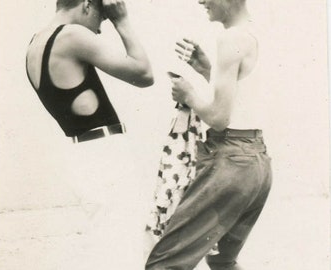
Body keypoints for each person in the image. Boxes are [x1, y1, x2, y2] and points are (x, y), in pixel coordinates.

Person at [145, 0, 272, 269]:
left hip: (229, 163)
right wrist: (206, 71)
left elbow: (218, 119)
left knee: (162, 264)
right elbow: (242, 103)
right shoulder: (255, 31)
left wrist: (188, 94)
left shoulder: (229, 38)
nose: (200, 1)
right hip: (256, 164)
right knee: (223, 262)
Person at [26, 0, 153, 268]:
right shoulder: (71, 35)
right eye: (101, 18)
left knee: (109, 246)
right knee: (123, 251)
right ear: (86, 5)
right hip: (104, 154)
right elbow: (143, 74)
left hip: (82, 153)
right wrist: (122, 21)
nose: (99, 30)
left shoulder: (36, 42)